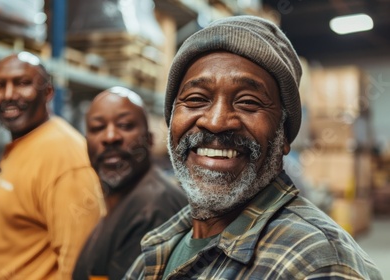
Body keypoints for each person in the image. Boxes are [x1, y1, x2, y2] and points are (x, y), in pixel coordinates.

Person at [124, 16, 383, 279]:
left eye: (248, 102)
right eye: (196, 99)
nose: (216, 122)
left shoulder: (316, 265)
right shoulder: (165, 241)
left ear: (283, 135)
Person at [0, 52, 105, 280]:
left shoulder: (63, 154)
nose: (9, 95)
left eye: (22, 83)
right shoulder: (24, 144)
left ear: (48, 92)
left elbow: (79, 263)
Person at [73, 87, 187, 280]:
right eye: (97, 128)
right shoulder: (123, 199)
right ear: (86, 143)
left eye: (125, 125)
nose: (110, 137)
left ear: (149, 140)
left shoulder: (154, 210)